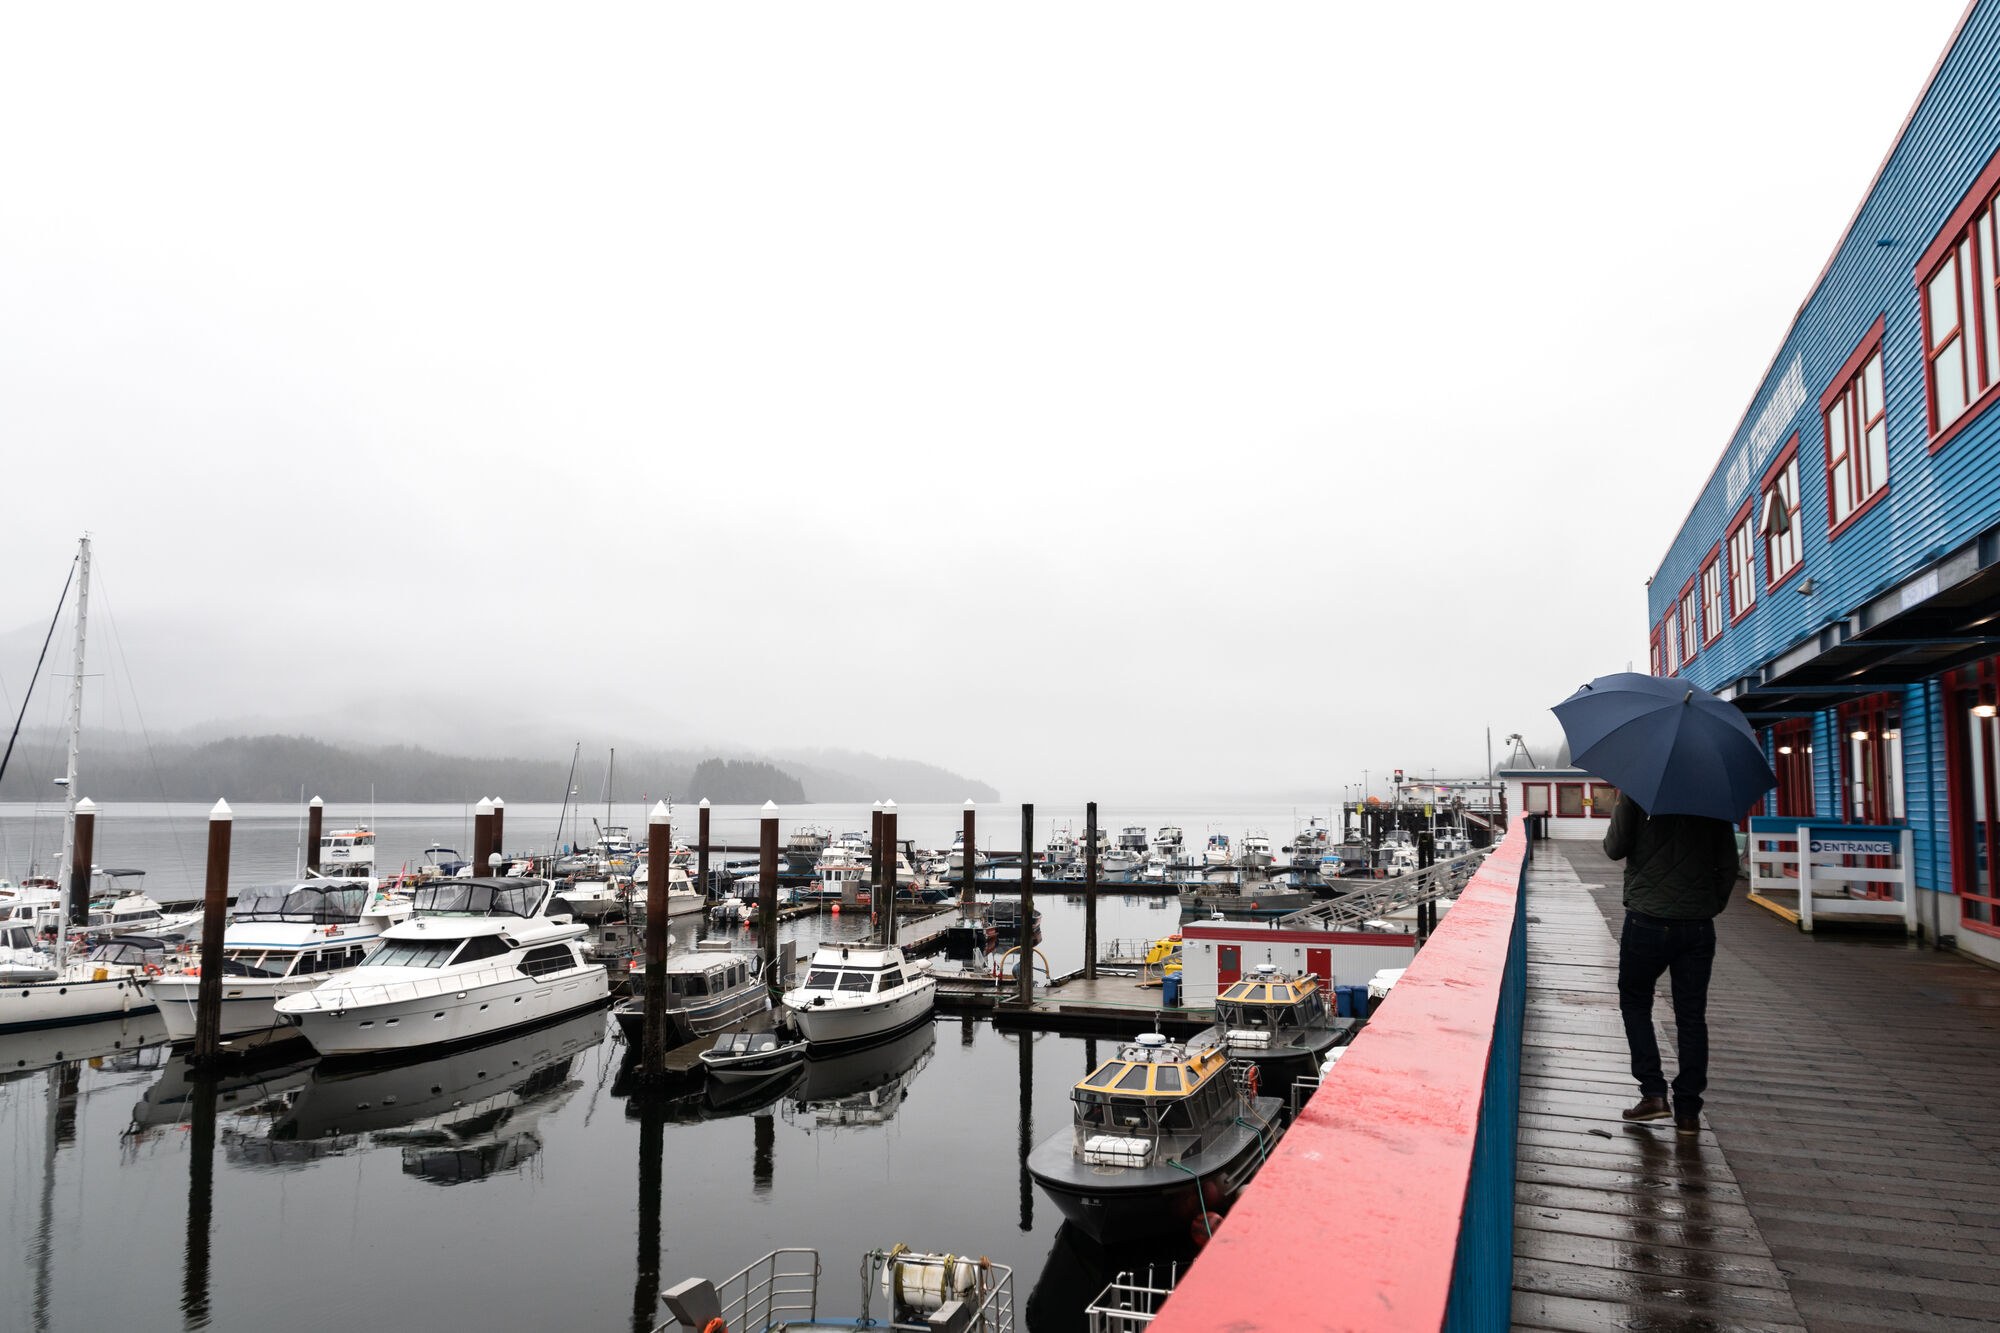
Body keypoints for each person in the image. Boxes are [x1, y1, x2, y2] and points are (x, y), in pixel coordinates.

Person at [1601, 791, 1740, 1136]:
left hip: (1646, 919)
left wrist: (1622, 803)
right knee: (1691, 1015)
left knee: (1635, 1002)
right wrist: (1710, 905)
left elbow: (1614, 848)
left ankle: (1653, 1094)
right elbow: (1728, 865)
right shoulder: (1711, 798)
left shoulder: (1637, 792)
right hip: (1697, 925)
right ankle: (1689, 1111)